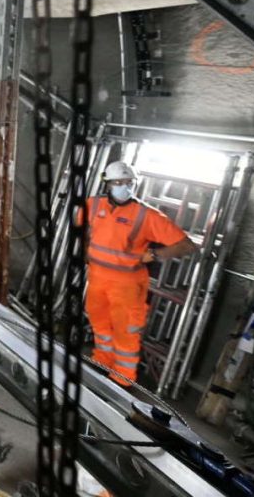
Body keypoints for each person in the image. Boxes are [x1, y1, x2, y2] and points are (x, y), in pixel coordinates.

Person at [84, 161, 196, 385]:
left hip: (127, 285)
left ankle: (122, 379)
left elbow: (186, 245)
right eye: (118, 182)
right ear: (107, 184)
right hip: (97, 279)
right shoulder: (93, 205)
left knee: (126, 332)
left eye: (129, 182)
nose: (124, 187)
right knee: (100, 324)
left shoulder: (147, 215)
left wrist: (155, 255)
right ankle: (102, 361)